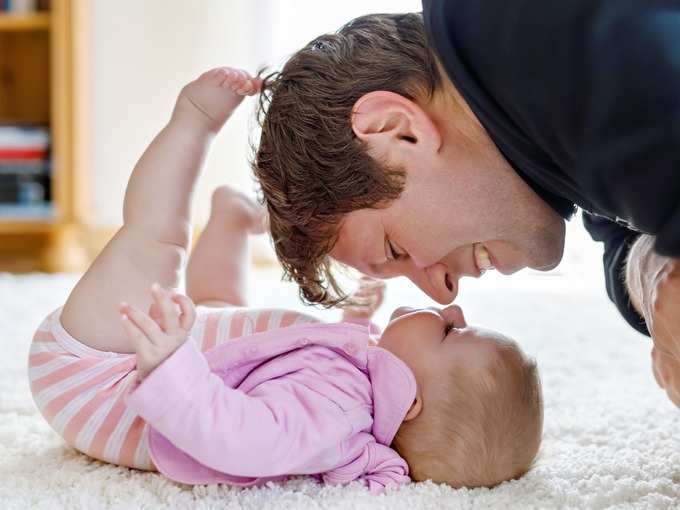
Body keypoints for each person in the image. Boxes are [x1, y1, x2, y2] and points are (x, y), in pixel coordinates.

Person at [27, 67, 542, 491]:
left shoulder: (334, 411)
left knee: (157, 243)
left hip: (98, 377)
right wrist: (355, 321)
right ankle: (230, 218)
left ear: (409, 401)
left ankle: (193, 124)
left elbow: (236, 435)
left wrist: (169, 365)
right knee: (221, 308)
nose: (453, 309)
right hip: (173, 358)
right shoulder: (350, 390)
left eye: (453, 331)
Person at [251, 3, 680, 407]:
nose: (442, 293)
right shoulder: (538, 127)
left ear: (397, 130)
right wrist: (655, 275)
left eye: (396, 251)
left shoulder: (537, 32)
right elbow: (624, 237)